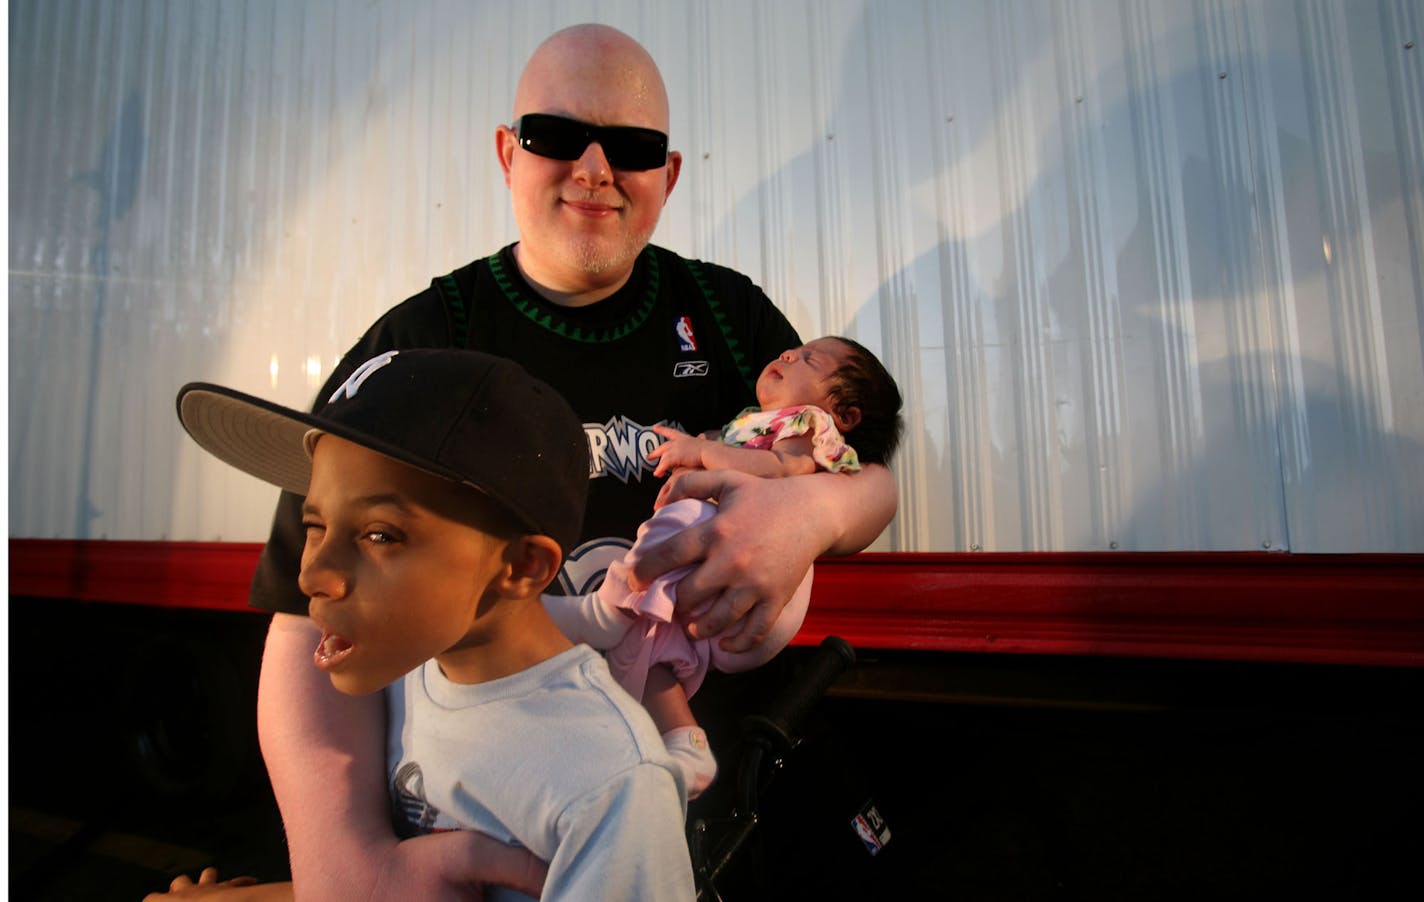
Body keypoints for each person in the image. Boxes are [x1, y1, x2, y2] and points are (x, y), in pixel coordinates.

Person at [246, 23, 898, 898]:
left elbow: (868, 482)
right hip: (497, 815)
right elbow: (304, 607)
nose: (595, 169)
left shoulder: (729, 316)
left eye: (629, 147)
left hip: (720, 801)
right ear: (508, 154)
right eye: (558, 137)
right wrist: (344, 866)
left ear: (665, 177)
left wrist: (811, 514)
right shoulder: (425, 341)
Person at [168, 348, 695, 901]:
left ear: (521, 567)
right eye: (315, 524)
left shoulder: (608, 786)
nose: (312, 575)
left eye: (379, 535)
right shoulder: (414, 670)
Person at [543, 336, 903, 797]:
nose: (788, 353)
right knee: (653, 645)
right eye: (792, 351)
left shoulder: (808, 424)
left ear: (845, 414)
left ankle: (604, 610)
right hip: (725, 597)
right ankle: (685, 742)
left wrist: (702, 454)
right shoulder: (753, 423)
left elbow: (784, 468)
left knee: (681, 521)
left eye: (809, 358)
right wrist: (699, 442)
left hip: (760, 586)